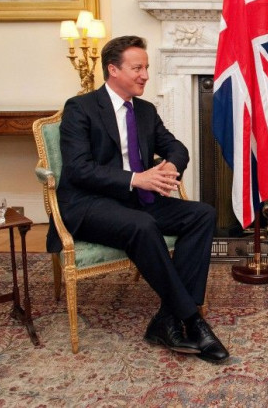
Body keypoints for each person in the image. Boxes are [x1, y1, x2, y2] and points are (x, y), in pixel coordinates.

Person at [51, 35, 229, 363]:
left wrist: (168, 168)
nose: (145, 74)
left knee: (202, 213)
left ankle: (165, 320)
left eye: (146, 67)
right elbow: (77, 170)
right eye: (137, 68)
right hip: (90, 204)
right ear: (113, 70)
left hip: (136, 202)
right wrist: (137, 178)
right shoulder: (81, 108)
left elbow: (177, 148)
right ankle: (192, 319)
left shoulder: (145, 110)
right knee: (143, 225)